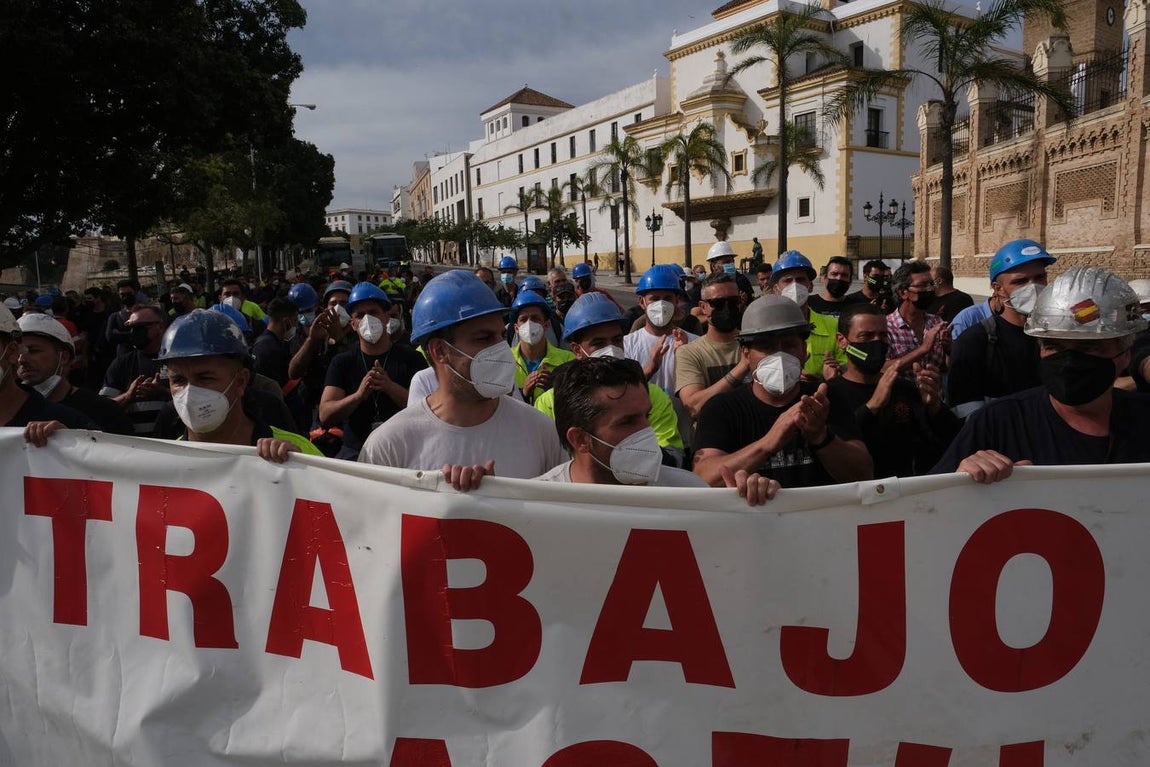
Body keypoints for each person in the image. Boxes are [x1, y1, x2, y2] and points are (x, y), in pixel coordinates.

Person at [933, 266, 1150, 481]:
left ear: (1125, 355)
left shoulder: (1142, 417)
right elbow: (923, 506)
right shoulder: (997, 424)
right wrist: (959, 482)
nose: (1069, 362)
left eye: (1088, 347)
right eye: (1054, 347)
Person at [26, 310, 320, 462]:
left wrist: (303, 470)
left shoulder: (297, 450)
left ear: (241, 381)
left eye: (205, 378)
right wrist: (65, 452)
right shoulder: (161, 460)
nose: (189, 392)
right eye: (178, 380)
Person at [359, 270, 566, 480]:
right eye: (484, 338)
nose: (501, 349)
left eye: (501, 336)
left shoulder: (541, 433)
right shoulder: (389, 448)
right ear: (440, 351)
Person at [534, 356, 779, 504]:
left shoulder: (689, 492)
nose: (647, 430)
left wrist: (748, 507)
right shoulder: (537, 503)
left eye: (646, 415)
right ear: (580, 439)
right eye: (627, 422)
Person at [692, 295, 873, 488]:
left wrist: (820, 436)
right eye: (766, 347)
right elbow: (704, 478)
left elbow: (864, 475)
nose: (779, 356)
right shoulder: (722, 408)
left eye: (789, 345)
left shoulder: (825, 400)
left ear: (804, 351)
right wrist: (767, 444)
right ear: (746, 354)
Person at [534, 292, 686, 466]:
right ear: (577, 351)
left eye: (616, 340)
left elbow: (673, 458)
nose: (611, 349)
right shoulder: (550, 402)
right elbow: (543, 460)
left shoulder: (651, 395)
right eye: (599, 343)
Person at [826, 304, 959, 477]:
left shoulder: (904, 388)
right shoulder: (829, 394)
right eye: (866, 336)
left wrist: (934, 407)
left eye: (882, 336)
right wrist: (872, 407)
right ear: (842, 341)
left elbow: (945, 442)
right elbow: (834, 448)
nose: (876, 343)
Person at [946, 239, 1054, 418]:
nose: (1033, 287)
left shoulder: (1056, 337)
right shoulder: (974, 341)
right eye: (1021, 281)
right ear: (998, 289)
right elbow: (965, 413)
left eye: (1040, 278)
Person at [320, 282, 427, 460]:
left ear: (386, 317)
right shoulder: (342, 362)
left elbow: (429, 410)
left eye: (373, 312)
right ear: (353, 324)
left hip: (405, 451)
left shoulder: (411, 359)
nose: (367, 319)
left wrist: (390, 387)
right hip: (357, 451)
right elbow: (326, 414)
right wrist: (358, 396)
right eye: (360, 315)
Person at [16, 313, 133, 434]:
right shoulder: (9, 410)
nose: (22, 360)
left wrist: (74, 439)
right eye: (17, 352)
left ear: (64, 357)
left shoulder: (103, 410)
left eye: (34, 350)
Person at [0, 305, 95, 430]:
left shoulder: (69, 422)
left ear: (12, 352)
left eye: (34, 350)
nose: (22, 359)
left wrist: (69, 442)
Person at [675, 273, 746, 421]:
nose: (727, 308)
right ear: (703, 307)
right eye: (718, 303)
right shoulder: (690, 352)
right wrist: (743, 367)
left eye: (733, 301)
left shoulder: (756, 344)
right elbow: (694, 407)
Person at [769, 250, 848, 380]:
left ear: (810, 286)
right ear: (776, 289)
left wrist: (832, 373)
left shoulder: (834, 326)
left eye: (800, 279)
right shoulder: (768, 327)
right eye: (787, 280)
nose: (794, 285)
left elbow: (847, 367)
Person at [99, 304, 170, 437]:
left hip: (176, 444)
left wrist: (165, 393)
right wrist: (128, 396)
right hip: (136, 447)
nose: (133, 333)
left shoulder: (179, 361)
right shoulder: (121, 363)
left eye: (140, 327)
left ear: (160, 327)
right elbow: (102, 408)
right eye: (130, 328)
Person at [886, 260, 950, 376]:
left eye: (931, 284)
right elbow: (882, 367)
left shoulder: (936, 323)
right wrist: (924, 348)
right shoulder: (887, 327)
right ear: (902, 292)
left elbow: (945, 367)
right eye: (923, 285)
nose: (930, 289)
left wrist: (949, 349)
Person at [510, 290, 575, 404]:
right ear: (516, 328)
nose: (529, 324)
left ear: (546, 325)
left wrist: (555, 391)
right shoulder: (505, 360)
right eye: (523, 320)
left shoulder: (567, 360)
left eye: (535, 318)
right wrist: (522, 394)